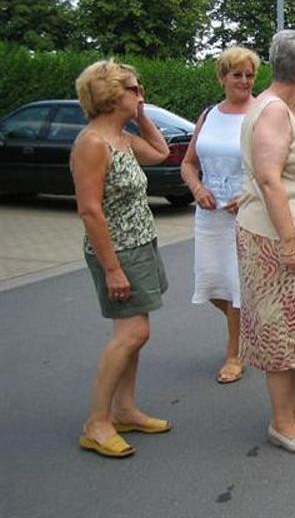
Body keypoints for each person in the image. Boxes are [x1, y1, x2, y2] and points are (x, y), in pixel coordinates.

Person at [71, 60, 171, 458]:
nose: (140, 92)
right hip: (117, 251)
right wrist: (112, 268)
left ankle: (125, 409)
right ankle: (96, 423)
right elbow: (90, 210)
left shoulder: (122, 137)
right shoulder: (92, 143)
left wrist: (142, 114)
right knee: (132, 335)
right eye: (133, 88)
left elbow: (162, 153)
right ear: (111, 95)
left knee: (135, 335)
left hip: (140, 244)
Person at [236, 30, 295, 455]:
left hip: (287, 236)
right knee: (278, 329)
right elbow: (270, 180)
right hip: (274, 239)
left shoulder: (280, 108)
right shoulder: (273, 111)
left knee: (294, 325)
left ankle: (291, 406)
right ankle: (281, 422)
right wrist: (290, 243)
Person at [181, 46, 259, 384]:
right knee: (213, 285)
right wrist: (197, 189)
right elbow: (188, 164)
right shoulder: (208, 114)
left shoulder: (262, 113)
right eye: (237, 74)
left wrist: (249, 194)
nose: (244, 80)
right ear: (223, 77)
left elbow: (279, 168)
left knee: (235, 285)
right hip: (210, 214)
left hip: (246, 213)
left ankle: (234, 353)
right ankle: (248, 329)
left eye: (249, 74)